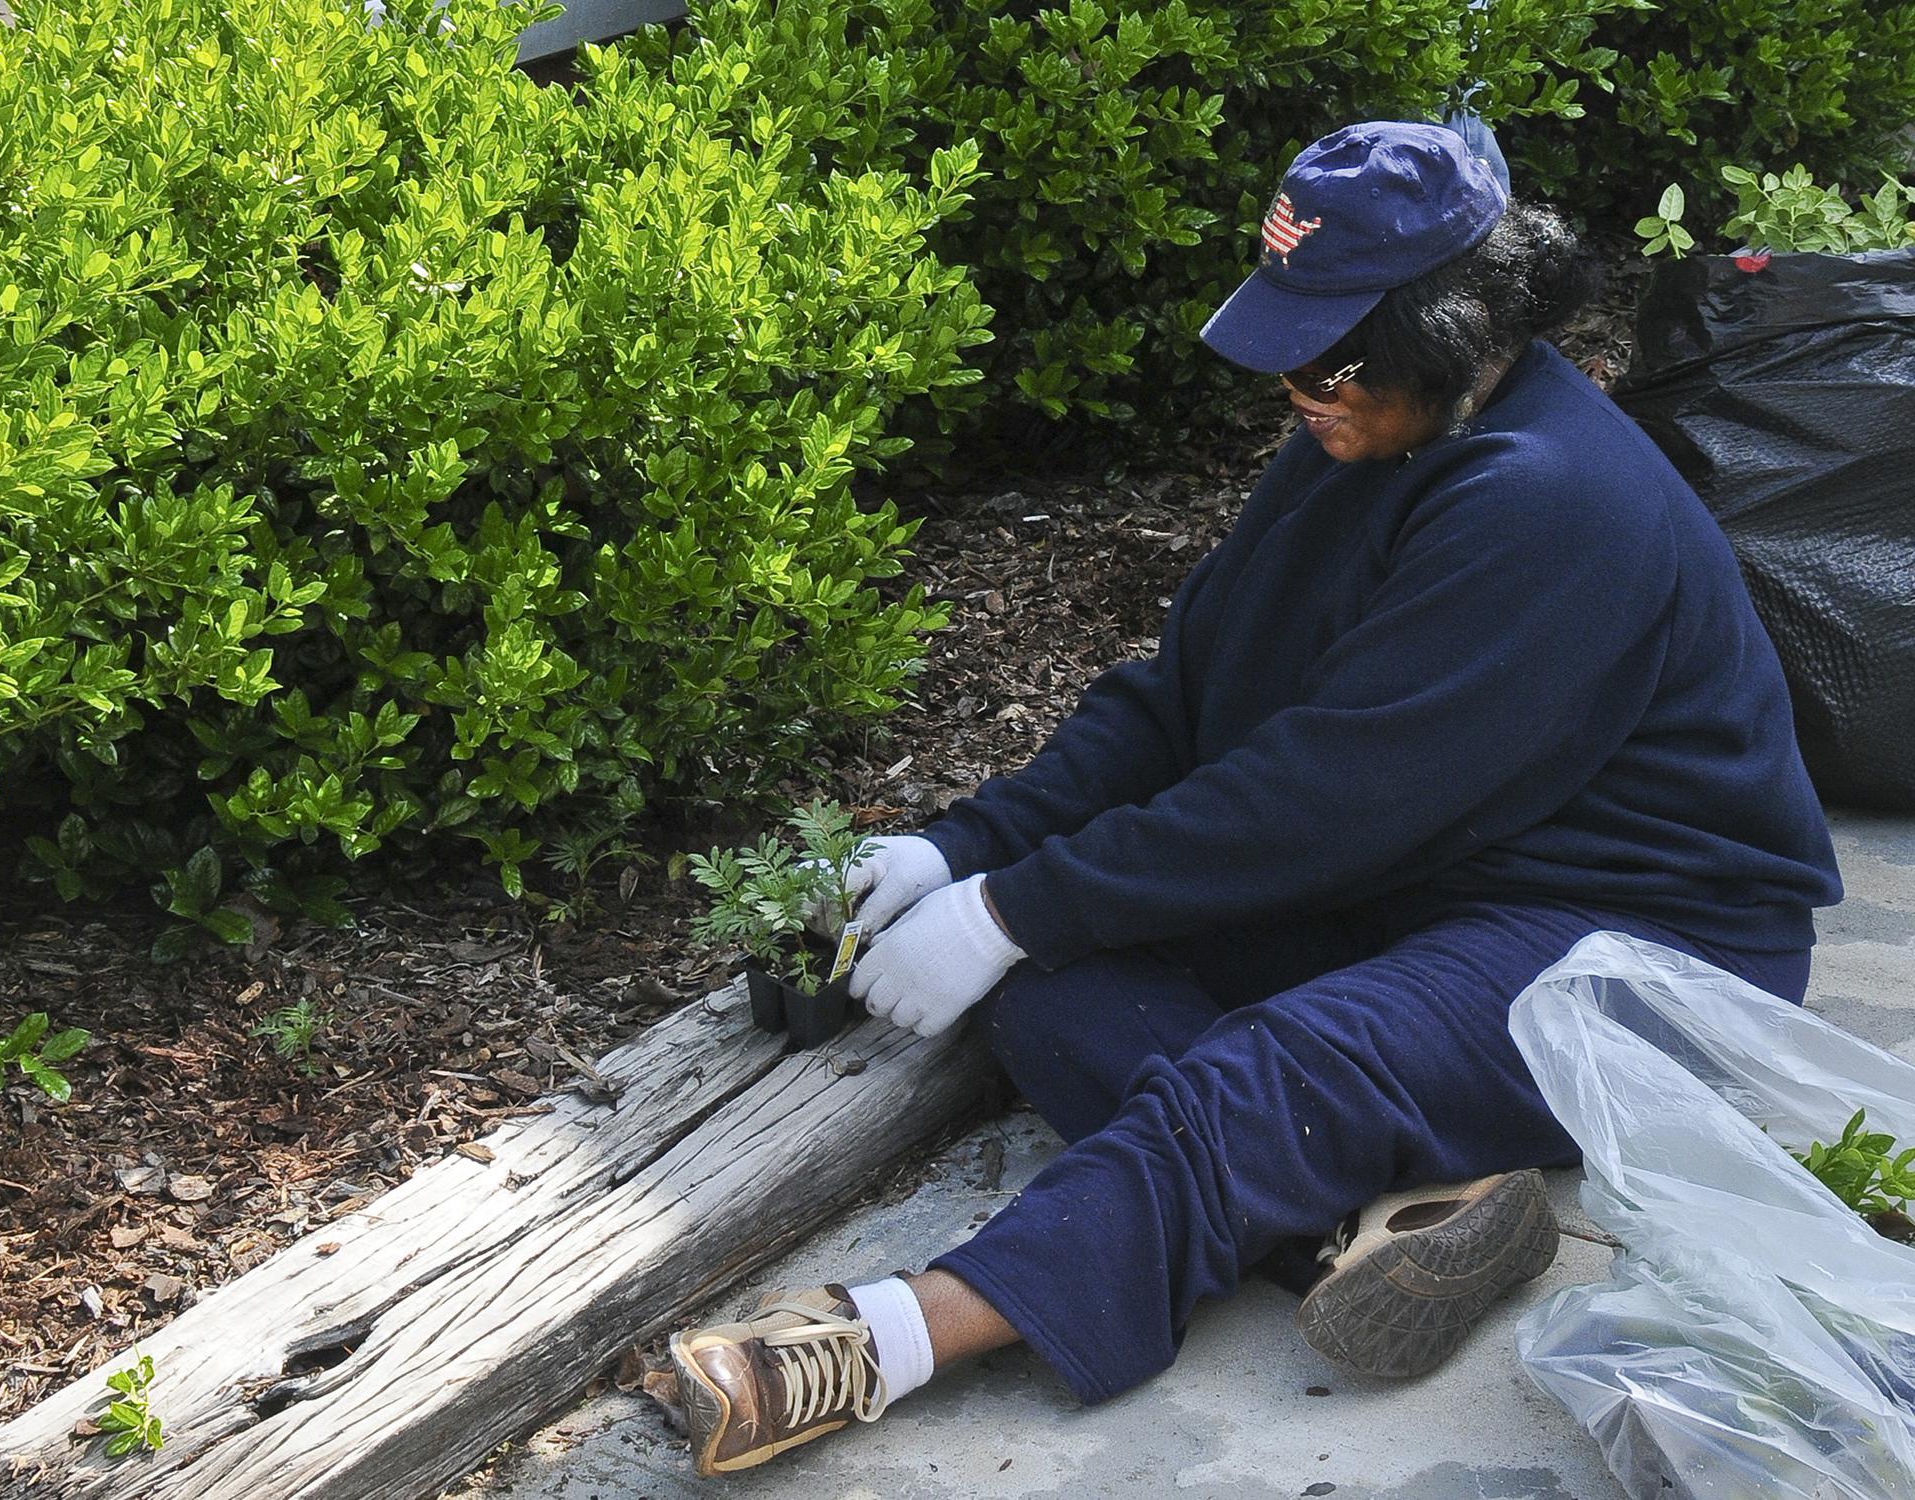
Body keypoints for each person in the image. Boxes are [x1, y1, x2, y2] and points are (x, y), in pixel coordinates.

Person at [666, 121, 1844, 1479]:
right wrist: (963, 849)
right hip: (1443, 870)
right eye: (1289, 357)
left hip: (1642, 951)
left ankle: (891, 1336)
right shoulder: (1370, 427)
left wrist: (1015, 903)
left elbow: (1317, 802)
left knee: (1276, 1067)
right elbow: (1187, 697)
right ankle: (1382, 1231)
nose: (1301, 390)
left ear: (1454, 329)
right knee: (1060, 993)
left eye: (1330, 359)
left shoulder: (1552, 502)